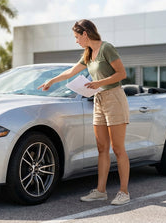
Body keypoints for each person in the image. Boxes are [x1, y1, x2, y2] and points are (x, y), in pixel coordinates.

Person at [38, 19, 130, 205]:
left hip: (114, 98)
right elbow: (71, 72)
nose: (76, 41)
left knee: (118, 148)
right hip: (99, 100)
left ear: (85, 34)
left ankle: (123, 192)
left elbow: (122, 74)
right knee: (102, 148)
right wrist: (52, 81)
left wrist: (99, 83)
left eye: (77, 37)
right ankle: (101, 191)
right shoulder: (88, 54)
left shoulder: (106, 48)